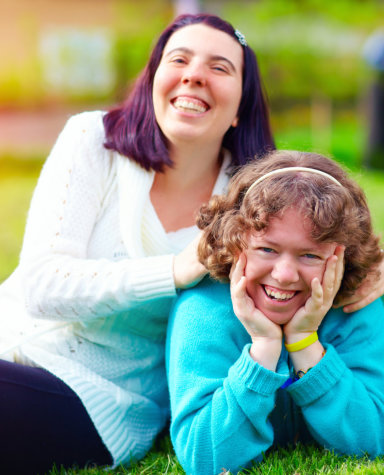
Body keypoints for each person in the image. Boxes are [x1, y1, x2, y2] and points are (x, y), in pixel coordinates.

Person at [0, 13, 274, 474]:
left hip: (98, 397)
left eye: (220, 67)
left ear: (241, 106)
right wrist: (174, 271)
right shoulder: (93, 139)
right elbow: (41, 285)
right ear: (153, 80)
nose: (193, 74)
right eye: (179, 59)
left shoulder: (252, 207)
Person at [166, 150, 384, 475]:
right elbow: (206, 458)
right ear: (235, 241)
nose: (284, 274)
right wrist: (263, 350)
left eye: (310, 255)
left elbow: (371, 439)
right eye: (267, 249)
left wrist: (304, 342)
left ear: (342, 257)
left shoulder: (356, 304)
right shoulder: (203, 310)